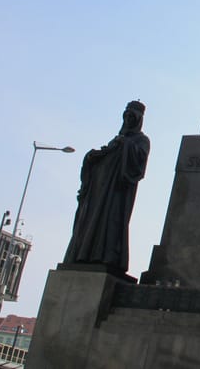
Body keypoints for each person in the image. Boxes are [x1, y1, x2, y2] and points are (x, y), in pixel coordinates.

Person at [64, 101, 150, 274]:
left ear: (139, 119)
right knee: (93, 221)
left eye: (131, 117)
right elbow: (106, 158)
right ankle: (86, 254)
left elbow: (137, 168)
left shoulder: (141, 140)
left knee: (112, 224)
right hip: (101, 192)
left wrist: (124, 145)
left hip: (117, 192)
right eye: (126, 116)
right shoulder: (117, 139)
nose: (127, 120)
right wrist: (94, 156)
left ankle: (107, 256)